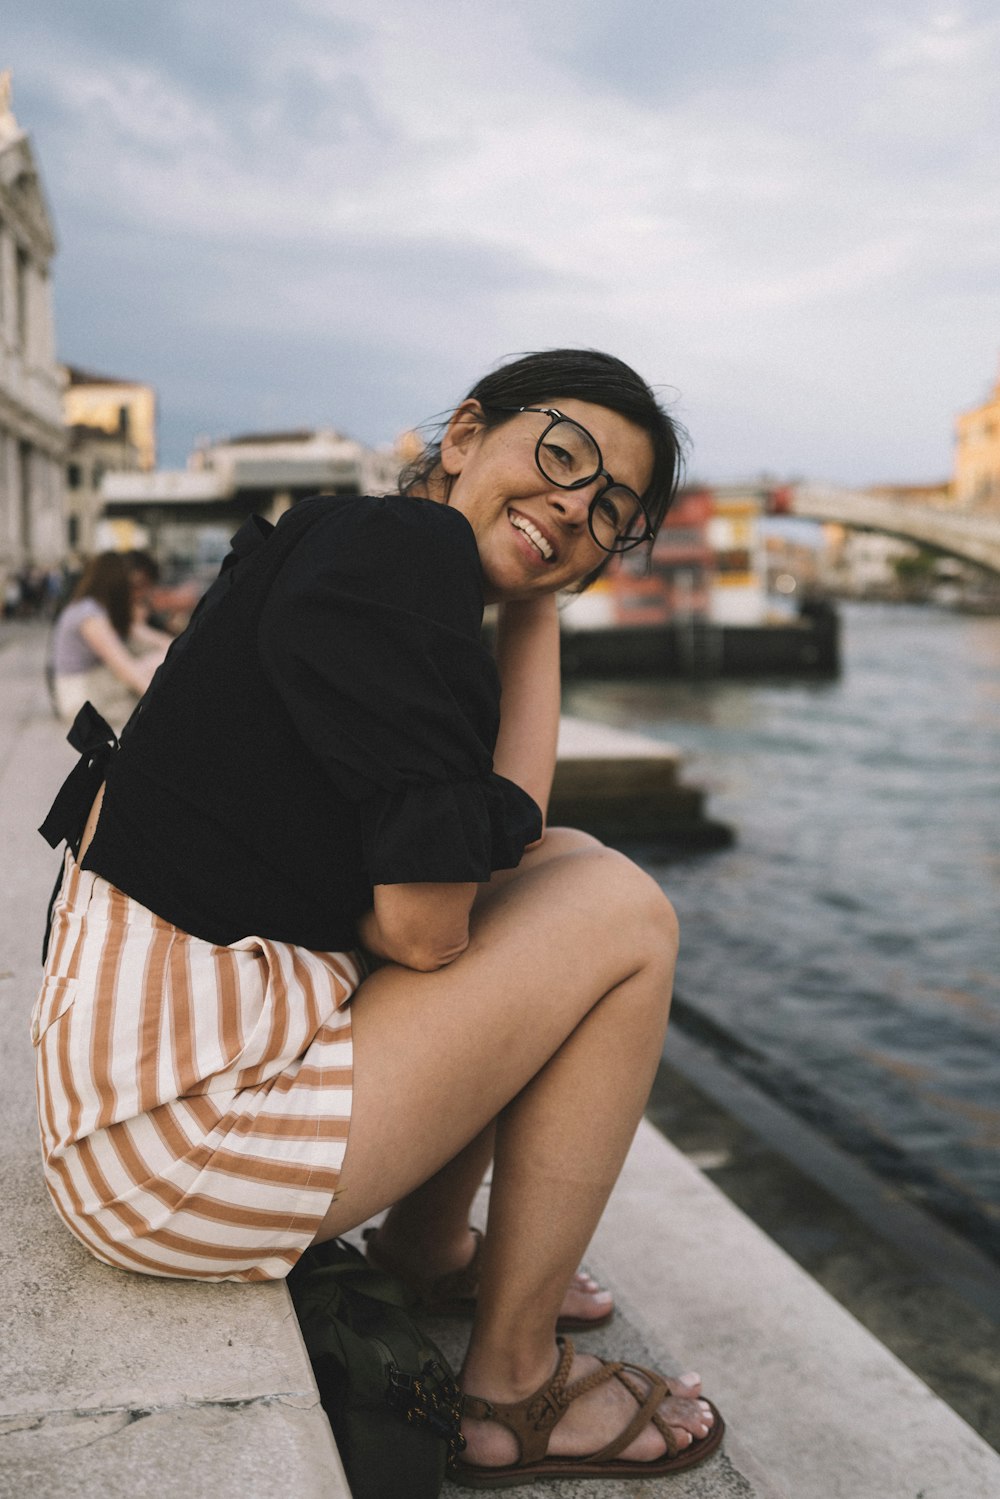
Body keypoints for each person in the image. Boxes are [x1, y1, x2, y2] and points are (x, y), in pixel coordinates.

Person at [32, 349, 724, 1486]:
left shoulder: (371, 548)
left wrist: (538, 595)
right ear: (463, 435)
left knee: (575, 865)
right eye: (560, 455)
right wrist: (542, 582)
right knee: (628, 916)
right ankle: (511, 1385)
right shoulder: (409, 558)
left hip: (141, 1103)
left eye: (613, 511)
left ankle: (427, 1244)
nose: (574, 504)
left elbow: (503, 838)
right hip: (175, 1146)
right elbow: (425, 929)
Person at [48, 551, 172, 732]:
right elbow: (126, 670)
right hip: (79, 698)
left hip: (87, 691)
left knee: (160, 658)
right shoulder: (89, 615)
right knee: (157, 661)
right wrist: (165, 706)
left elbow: (158, 641)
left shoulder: (96, 610)